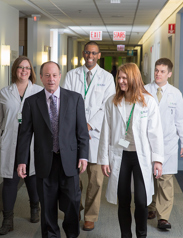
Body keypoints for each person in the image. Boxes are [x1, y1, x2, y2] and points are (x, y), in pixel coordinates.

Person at [16, 61, 90, 238]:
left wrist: (84, 156)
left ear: (60, 76)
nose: (51, 79)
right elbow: (25, 134)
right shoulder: (31, 102)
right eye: (47, 75)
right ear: (40, 77)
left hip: (69, 162)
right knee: (48, 206)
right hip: (44, 163)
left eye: (54, 75)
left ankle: (72, 234)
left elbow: (82, 131)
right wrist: (21, 160)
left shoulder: (75, 98)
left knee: (72, 203)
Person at [98, 63, 165, 238]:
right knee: (123, 200)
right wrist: (104, 159)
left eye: (124, 78)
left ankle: (141, 235)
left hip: (141, 157)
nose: (120, 81)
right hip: (120, 156)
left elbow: (155, 133)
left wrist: (157, 159)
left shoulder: (148, 101)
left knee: (142, 202)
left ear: (134, 78)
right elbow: (106, 132)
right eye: (119, 78)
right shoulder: (112, 102)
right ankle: (125, 235)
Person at [0, 56, 43, 235]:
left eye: (27, 68)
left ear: (31, 72)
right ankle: (7, 221)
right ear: (14, 70)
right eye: (20, 68)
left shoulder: (39, 91)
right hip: (10, 143)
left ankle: (35, 207)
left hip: (32, 144)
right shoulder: (4, 93)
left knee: (32, 179)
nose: (24, 71)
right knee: (10, 182)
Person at [64, 41, 115, 231]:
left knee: (95, 180)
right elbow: (66, 102)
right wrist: (78, 126)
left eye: (94, 53)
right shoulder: (71, 75)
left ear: (99, 55)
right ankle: (75, 209)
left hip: (95, 135)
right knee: (72, 178)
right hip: (73, 134)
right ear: (83, 54)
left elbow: (106, 106)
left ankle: (90, 216)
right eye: (87, 52)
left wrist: (89, 125)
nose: (90, 56)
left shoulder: (107, 78)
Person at [145, 58, 183, 230]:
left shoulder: (176, 93)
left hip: (168, 142)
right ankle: (150, 207)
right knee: (149, 177)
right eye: (156, 70)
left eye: (162, 71)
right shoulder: (145, 90)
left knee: (165, 179)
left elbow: (181, 120)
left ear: (169, 74)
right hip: (148, 142)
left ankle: (163, 217)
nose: (158, 73)